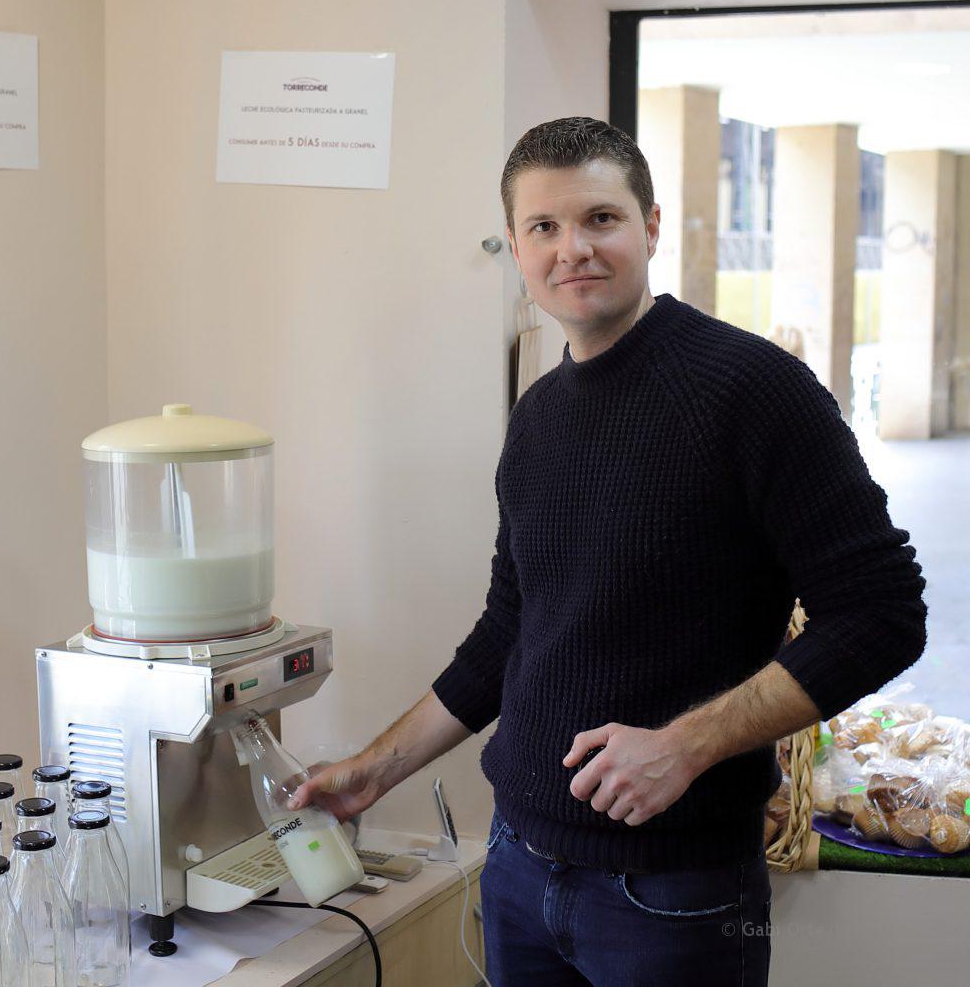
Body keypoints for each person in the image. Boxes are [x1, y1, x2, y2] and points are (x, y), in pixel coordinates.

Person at [288, 117, 927, 986]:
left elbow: (883, 612)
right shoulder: (540, 417)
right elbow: (512, 626)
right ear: (514, 247)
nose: (573, 249)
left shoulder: (752, 390)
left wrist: (687, 745)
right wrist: (373, 770)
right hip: (516, 865)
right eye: (544, 227)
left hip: (673, 891)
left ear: (650, 227)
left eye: (601, 218)